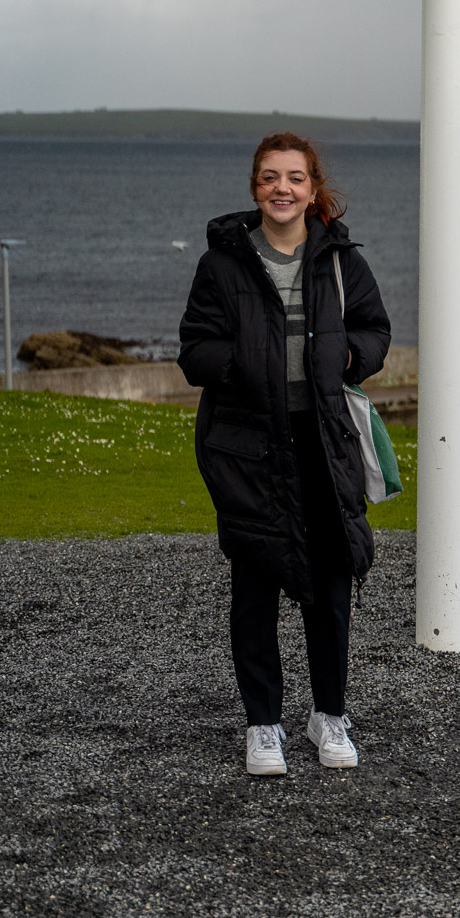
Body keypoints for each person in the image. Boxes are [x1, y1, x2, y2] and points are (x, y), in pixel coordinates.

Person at [178, 132, 391, 776]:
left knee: (330, 586)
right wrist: (247, 362)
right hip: (248, 446)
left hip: (324, 442)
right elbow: (193, 351)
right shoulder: (222, 265)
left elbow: (376, 331)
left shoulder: (340, 261)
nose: (282, 189)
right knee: (255, 585)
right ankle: (262, 725)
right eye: (271, 177)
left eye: (295, 178)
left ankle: (329, 715)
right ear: (255, 186)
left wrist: (347, 356)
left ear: (313, 187)